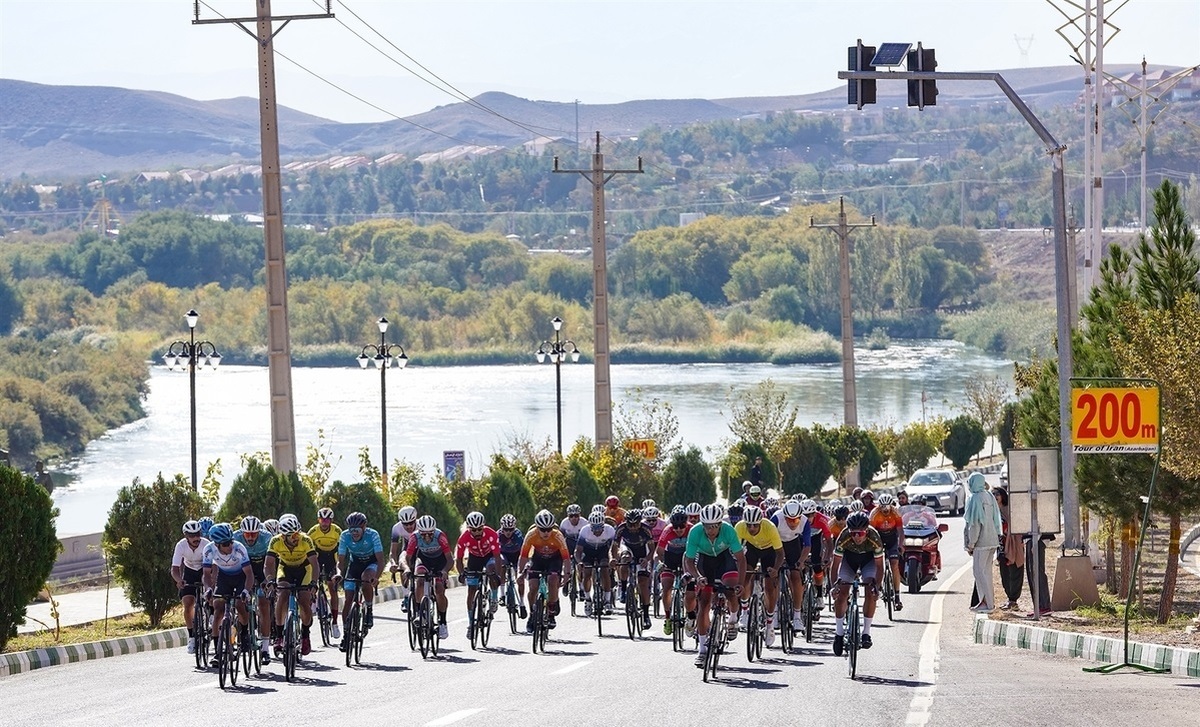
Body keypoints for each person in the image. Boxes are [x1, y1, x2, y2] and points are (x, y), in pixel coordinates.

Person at [685, 503, 747, 667]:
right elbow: (689, 560)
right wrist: (697, 577)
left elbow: (741, 559)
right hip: (705, 562)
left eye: (713, 527)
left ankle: (733, 619)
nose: (710, 530)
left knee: (731, 591)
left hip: (724, 560)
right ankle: (702, 650)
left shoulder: (728, 530)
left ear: (720, 524)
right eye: (706, 526)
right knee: (704, 603)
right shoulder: (695, 532)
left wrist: (740, 583)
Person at [830, 512, 885, 654]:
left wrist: (877, 587)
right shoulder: (843, 536)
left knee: (870, 591)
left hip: (868, 561)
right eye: (853, 533)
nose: (856, 537)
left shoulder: (874, 537)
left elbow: (879, 567)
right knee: (842, 593)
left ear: (866, 531)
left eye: (860, 533)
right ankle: (839, 633)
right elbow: (835, 565)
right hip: (849, 561)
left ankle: (866, 632)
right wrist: (833, 586)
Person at [264, 514, 320, 656]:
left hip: (304, 570)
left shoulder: (306, 540)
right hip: (285, 569)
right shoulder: (275, 541)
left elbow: (314, 564)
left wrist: (314, 583)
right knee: (282, 595)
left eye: (296, 534)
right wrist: (270, 580)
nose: (295, 537)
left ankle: (305, 635)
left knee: (304, 601)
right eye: (291, 535)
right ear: (283, 536)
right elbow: (268, 564)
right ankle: (279, 635)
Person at [201, 523, 254, 667]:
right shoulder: (209, 550)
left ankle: (244, 633)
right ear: (217, 544)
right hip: (224, 577)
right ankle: (218, 652)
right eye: (225, 544)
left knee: (239, 604)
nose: (229, 546)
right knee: (218, 609)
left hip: (241, 576)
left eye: (230, 541)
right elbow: (206, 574)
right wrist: (208, 589)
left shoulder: (239, 548)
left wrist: (246, 591)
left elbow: (249, 574)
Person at [734, 505, 784, 647]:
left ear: (760, 522)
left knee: (769, 588)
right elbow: (735, 552)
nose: (751, 529)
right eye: (749, 525)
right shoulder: (739, 527)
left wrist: (775, 569)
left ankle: (770, 624)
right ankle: (744, 610)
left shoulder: (770, 527)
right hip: (752, 549)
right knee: (745, 576)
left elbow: (780, 554)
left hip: (769, 551)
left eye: (755, 525)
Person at [337, 511, 385, 648]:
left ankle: (369, 608)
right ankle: (346, 635)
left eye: (357, 530)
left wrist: (376, 578)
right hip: (355, 565)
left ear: (364, 527)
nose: (354, 533)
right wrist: (339, 573)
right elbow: (340, 561)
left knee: (366, 579)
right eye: (351, 530)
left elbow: (381, 560)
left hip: (372, 563)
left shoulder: (373, 535)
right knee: (348, 599)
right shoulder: (344, 536)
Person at [455, 511, 503, 641]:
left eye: (479, 529)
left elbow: (498, 556)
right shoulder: (464, 537)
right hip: (474, 558)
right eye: (473, 530)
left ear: (483, 526)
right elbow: (458, 559)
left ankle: (493, 598)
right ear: (468, 528)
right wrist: (461, 573)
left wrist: (497, 576)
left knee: (491, 570)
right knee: (471, 591)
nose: (477, 532)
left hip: (489, 557)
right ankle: (471, 624)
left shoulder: (491, 534)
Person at [519, 509, 570, 631]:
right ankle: (532, 614)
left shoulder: (558, 536)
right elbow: (524, 556)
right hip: (538, 560)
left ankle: (551, 612)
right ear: (537, 528)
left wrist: (567, 574)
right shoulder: (531, 535)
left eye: (549, 529)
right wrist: (520, 574)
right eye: (543, 529)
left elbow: (566, 559)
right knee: (533, 587)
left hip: (554, 560)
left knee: (553, 580)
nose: (546, 532)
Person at [406, 515, 454, 639]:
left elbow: (449, 559)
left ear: (434, 531)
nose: (427, 537)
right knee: (420, 580)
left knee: (439, 589)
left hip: (440, 561)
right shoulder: (414, 537)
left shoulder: (440, 536)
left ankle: (442, 622)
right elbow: (408, 557)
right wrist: (409, 570)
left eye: (430, 534)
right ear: (419, 532)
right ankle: (419, 614)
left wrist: (444, 571)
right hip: (424, 560)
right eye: (423, 534)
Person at [234, 515, 273, 664]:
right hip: (243, 568)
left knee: (264, 605)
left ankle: (265, 648)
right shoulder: (236, 537)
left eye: (254, 534)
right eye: (247, 534)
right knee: (239, 602)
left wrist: (269, 580)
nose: (250, 537)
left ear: (259, 532)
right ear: (242, 532)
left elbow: (272, 560)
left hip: (261, 568)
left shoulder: (267, 538)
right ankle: (243, 629)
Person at [963, 472, 1001, 613]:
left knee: (979, 572)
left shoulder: (975, 499)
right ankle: (987, 603)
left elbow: (974, 524)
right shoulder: (989, 496)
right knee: (986, 572)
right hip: (992, 540)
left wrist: (971, 544)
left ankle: (987, 603)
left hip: (981, 542)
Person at [652, 510, 694, 635]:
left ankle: (691, 612)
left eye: (682, 526)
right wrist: (660, 563)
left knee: (691, 585)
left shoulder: (691, 530)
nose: (679, 529)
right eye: (676, 527)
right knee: (666, 587)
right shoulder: (667, 531)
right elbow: (658, 551)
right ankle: (668, 617)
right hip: (670, 557)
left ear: (686, 524)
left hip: (687, 557)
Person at [612, 507, 655, 630]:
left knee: (643, 582)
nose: (632, 527)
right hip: (628, 548)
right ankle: (624, 589)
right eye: (630, 524)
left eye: (636, 524)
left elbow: (652, 549)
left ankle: (646, 614)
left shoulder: (646, 529)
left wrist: (647, 559)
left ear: (640, 522)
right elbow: (614, 547)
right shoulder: (621, 528)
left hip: (643, 551)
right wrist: (613, 559)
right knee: (624, 558)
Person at [172, 520, 211, 655]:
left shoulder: (206, 544)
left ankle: (210, 614)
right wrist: (179, 580)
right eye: (191, 535)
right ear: (185, 536)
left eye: (197, 534)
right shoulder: (180, 546)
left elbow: (212, 566)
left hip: (205, 569)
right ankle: (192, 637)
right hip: (189, 572)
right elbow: (175, 568)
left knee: (211, 594)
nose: (195, 538)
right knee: (188, 604)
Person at [308, 507, 343, 639]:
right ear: (318, 520)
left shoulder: (337, 530)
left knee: (332, 588)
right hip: (318, 554)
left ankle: (334, 623)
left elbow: (341, 549)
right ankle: (313, 600)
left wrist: (339, 566)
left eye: (327, 519)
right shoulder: (313, 531)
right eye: (322, 519)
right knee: (312, 578)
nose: (324, 522)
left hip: (332, 556)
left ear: (331, 520)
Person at [575, 511, 616, 615]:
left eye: (599, 527)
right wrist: (579, 562)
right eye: (594, 528)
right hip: (588, 552)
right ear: (590, 526)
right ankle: (587, 599)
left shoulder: (610, 530)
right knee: (587, 572)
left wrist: (612, 559)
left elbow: (613, 548)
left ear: (603, 525)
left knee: (605, 571)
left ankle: (607, 600)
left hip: (603, 551)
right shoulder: (585, 531)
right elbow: (578, 550)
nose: (597, 530)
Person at [869, 493, 904, 612]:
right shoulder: (874, 513)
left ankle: (897, 595)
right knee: (879, 565)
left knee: (894, 564)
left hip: (892, 539)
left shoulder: (896, 512)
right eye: (882, 507)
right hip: (878, 537)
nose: (885, 509)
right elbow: (871, 532)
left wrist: (900, 545)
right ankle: (878, 588)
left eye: (887, 507)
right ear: (879, 506)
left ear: (891, 505)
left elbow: (900, 530)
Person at [993, 487, 1025, 610]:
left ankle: (1013, 599)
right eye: (993, 494)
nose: (995, 496)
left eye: (997, 494)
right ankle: (1009, 598)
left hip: (1013, 544)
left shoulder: (1009, 510)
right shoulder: (993, 511)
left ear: (1003, 496)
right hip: (1000, 546)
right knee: (1004, 573)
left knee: (1015, 571)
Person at [497, 513, 527, 618]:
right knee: (501, 564)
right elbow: (495, 551)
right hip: (504, 554)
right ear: (502, 528)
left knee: (520, 578)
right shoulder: (498, 535)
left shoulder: (518, 535)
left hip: (516, 555)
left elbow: (524, 551)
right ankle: (502, 595)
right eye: (505, 529)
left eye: (511, 529)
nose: (508, 532)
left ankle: (522, 603)